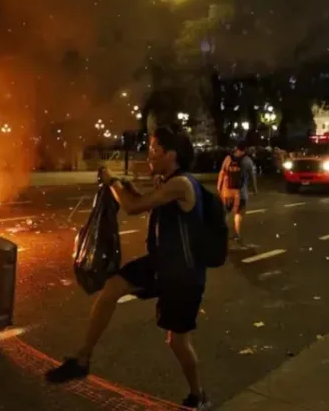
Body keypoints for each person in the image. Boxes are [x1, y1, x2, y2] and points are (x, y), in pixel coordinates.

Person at [45, 126, 212, 410]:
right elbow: (143, 201)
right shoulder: (168, 181)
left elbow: (134, 207)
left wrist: (112, 182)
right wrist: (123, 185)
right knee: (111, 289)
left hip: (183, 275)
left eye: (154, 149)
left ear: (171, 154)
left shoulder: (181, 184)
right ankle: (83, 359)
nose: (149, 154)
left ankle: (199, 396)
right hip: (161, 264)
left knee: (177, 341)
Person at [217, 141, 257, 246]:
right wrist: (254, 189)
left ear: (236, 148)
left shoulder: (228, 159)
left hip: (227, 192)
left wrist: (219, 186)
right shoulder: (248, 161)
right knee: (238, 213)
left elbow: (222, 172)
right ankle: (237, 234)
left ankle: (223, 233)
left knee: (225, 212)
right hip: (240, 192)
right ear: (246, 149)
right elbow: (252, 177)